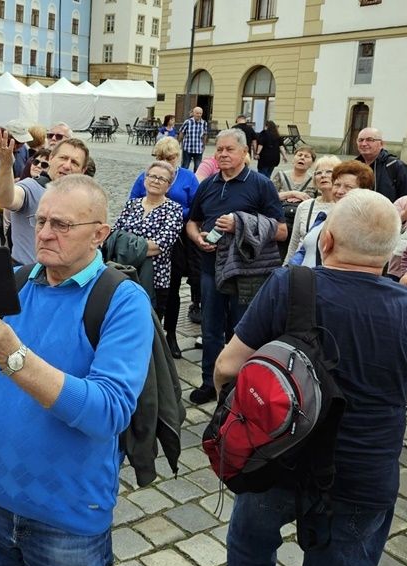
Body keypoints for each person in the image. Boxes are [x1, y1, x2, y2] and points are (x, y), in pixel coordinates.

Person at [0, 174, 153, 566]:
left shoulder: (123, 300)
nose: (43, 233)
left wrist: (14, 356)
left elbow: (109, 413)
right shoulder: (16, 280)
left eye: (61, 225)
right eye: (41, 220)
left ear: (99, 234)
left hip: (69, 516)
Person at [215, 190, 407, 566]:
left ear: (325, 240)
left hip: (277, 456)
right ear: (388, 250)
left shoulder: (288, 285)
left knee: (250, 548)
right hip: (363, 474)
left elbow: (227, 366)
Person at [185, 128, 286, 405]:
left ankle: (240, 386)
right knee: (210, 328)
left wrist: (240, 223)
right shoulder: (207, 184)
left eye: (229, 149)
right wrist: (197, 237)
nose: (223, 154)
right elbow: (192, 221)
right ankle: (210, 381)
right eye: (219, 149)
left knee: (241, 330)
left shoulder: (260, 184)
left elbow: (281, 231)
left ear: (245, 153)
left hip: (245, 271)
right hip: (210, 268)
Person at [128, 136, 200, 357]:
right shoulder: (146, 176)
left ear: (177, 157)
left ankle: (170, 334)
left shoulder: (187, 177)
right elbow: (132, 200)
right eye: (160, 157)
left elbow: (196, 208)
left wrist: (172, 211)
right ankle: (142, 333)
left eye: (169, 157)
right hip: (144, 242)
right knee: (143, 287)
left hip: (177, 243)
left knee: (171, 291)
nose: (165, 161)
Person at [0, 131, 90, 265]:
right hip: (26, 275)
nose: (67, 166)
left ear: (83, 170)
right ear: (51, 158)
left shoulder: (81, 200)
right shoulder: (30, 187)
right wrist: (5, 165)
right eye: (63, 158)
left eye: (74, 162)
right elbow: (6, 199)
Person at [113, 161, 184, 317]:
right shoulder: (131, 204)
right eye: (152, 176)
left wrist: (126, 247)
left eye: (162, 179)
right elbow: (114, 236)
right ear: (145, 179)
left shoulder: (173, 210)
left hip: (155, 278)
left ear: (169, 185)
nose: (155, 181)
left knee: (149, 322)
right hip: (123, 273)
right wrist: (129, 246)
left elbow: (159, 246)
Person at [288, 161, 374, 268]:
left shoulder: (367, 225)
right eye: (337, 185)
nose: (340, 191)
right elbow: (302, 250)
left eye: (348, 187)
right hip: (304, 280)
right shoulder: (323, 218)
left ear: (364, 191)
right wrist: (287, 271)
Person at [283, 155, 342, 262]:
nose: (323, 176)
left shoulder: (345, 206)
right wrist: (286, 269)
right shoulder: (305, 206)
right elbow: (294, 243)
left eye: (329, 172)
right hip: (302, 269)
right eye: (318, 173)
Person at [354, 127, 407, 201]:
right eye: (360, 140)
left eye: (370, 140)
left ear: (381, 144)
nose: (364, 144)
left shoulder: (396, 166)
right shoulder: (354, 166)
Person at [178, 107, 208, 172]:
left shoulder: (204, 123)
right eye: (197, 113)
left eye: (200, 113)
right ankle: (183, 180)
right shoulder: (187, 122)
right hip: (187, 148)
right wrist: (178, 143)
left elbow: (204, 135)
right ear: (193, 113)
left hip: (198, 148)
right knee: (185, 166)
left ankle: (195, 180)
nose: (199, 115)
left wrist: (204, 146)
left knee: (197, 167)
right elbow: (181, 132)